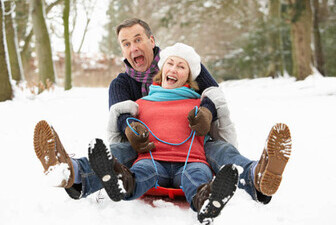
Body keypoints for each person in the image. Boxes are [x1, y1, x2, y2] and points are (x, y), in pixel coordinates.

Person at [33, 18, 291, 206]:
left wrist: (207, 112)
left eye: (137, 39)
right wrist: (129, 127)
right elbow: (121, 114)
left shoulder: (184, 63)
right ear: (122, 50)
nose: (133, 47)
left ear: (151, 41)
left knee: (220, 150)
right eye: (125, 43)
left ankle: (256, 176)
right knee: (122, 152)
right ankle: (73, 171)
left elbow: (214, 94)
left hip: (193, 147)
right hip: (147, 148)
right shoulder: (124, 86)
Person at [88, 43, 239, 224]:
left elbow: (221, 132)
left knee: (197, 176)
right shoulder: (141, 104)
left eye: (181, 66)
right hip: (152, 159)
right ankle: (122, 182)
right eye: (170, 63)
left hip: (191, 161)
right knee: (142, 172)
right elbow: (123, 134)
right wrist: (129, 129)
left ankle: (206, 200)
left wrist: (209, 114)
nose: (174, 69)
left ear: (189, 78)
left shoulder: (200, 103)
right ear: (162, 70)